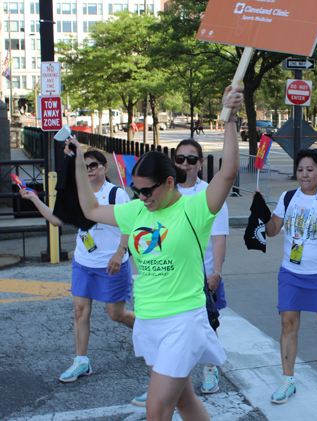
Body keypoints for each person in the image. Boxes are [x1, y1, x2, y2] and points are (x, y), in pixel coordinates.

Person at [66, 85, 243, 421]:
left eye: (148, 190)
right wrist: (78, 161)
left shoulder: (195, 210)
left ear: (169, 183)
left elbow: (228, 172)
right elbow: (89, 208)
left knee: (157, 407)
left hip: (184, 320)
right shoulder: (135, 211)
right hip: (147, 318)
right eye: (137, 189)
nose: (142, 196)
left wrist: (231, 119)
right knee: (183, 401)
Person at [20, 149, 135, 383]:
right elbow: (56, 220)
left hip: (111, 264)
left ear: (104, 167)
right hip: (83, 263)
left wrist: (120, 251)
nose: (89, 170)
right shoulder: (77, 195)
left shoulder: (116, 194)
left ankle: (152, 333)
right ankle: (81, 362)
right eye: (84, 166)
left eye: (93, 165)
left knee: (116, 314)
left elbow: (130, 225)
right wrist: (34, 198)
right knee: (80, 311)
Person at [131, 138, 230, 407]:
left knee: (207, 324)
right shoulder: (153, 196)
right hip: (164, 287)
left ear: (200, 163)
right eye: (180, 158)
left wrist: (216, 272)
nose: (185, 163)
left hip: (200, 277)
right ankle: (164, 386)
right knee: (182, 397)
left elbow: (219, 238)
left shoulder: (206, 195)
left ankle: (209, 369)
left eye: (191, 159)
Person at [257, 148, 317, 405]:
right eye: (300, 170)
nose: (304, 174)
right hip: (291, 273)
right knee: (288, 325)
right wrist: (262, 210)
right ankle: (288, 380)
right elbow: (273, 230)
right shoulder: (288, 197)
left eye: (310, 170)